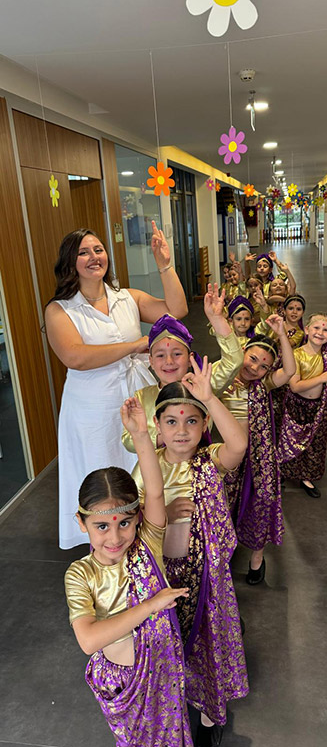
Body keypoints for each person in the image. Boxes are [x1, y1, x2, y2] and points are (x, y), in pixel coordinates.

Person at [45, 224, 188, 549]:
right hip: (92, 407)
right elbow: (75, 356)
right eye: (83, 252)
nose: (94, 257)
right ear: (70, 262)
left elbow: (176, 311)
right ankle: (109, 547)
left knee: (143, 466)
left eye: (98, 250)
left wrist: (165, 265)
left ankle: (146, 538)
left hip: (136, 396)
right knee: (102, 474)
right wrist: (135, 345)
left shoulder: (127, 297)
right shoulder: (60, 309)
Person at [132, 359, 249, 747]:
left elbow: (238, 446)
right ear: (157, 426)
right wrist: (163, 511)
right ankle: (173, 701)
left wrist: (210, 398)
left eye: (191, 421)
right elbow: (135, 519)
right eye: (171, 421)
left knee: (207, 644)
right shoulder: (145, 467)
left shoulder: (209, 461)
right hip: (163, 577)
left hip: (207, 580)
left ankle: (209, 713)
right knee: (171, 644)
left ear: (204, 425)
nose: (181, 430)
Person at [64, 398, 193, 747]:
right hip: (122, 681)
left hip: (164, 668)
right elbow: (89, 640)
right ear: (82, 523)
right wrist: (151, 606)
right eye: (101, 526)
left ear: (138, 518)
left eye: (124, 523)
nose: (115, 537)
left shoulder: (147, 542)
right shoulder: (81, 574)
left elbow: (155, 491)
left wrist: (140, 435)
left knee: (171, 738)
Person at [221, 319, 296, 585]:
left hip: (259, 458)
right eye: (252, 359)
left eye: (264, 366)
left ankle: (257, 556)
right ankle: (222, 552)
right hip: (227, 458)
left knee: (261, 500)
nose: (255, 368)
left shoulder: (262, 385)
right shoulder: (222, 382)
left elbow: (289, 370)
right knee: (224, 504)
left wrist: (281, 335)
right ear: (242, 352)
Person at [122, 283, 243, 447]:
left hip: (200, 463)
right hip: (156, 464)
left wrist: (217, 319)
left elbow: (234, 360)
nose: (169, 361)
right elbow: (128, 439)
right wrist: (168, 437)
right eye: (160, 355)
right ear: (150, 361)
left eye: (177, 354)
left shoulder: (203, 386)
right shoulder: (142, 397)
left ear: (190, 358)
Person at [279, 283, 327, 498]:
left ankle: (306, 477)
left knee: (314, 444)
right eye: (316, 328)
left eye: (325, 329)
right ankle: (283, 472)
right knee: (291, 440)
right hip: (296, 407)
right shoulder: (297, 354)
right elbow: (294, 386)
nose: (320, 332)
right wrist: (322, 378)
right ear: (308, 329)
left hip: (318, 408)